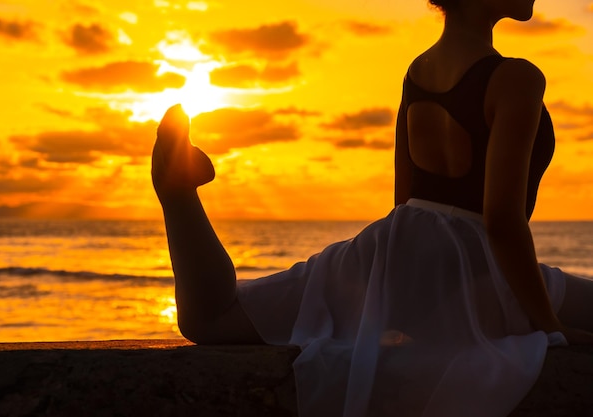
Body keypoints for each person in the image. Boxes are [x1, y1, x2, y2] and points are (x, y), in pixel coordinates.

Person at [151, 0, 593, 415]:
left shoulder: (417, 72)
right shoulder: (518, 78)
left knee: (213, 319)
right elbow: (501, 221)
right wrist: (549, 323)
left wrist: (391, 301)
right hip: (477, 272)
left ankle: (181, 197)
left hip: (392, 250)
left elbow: (404, 200)